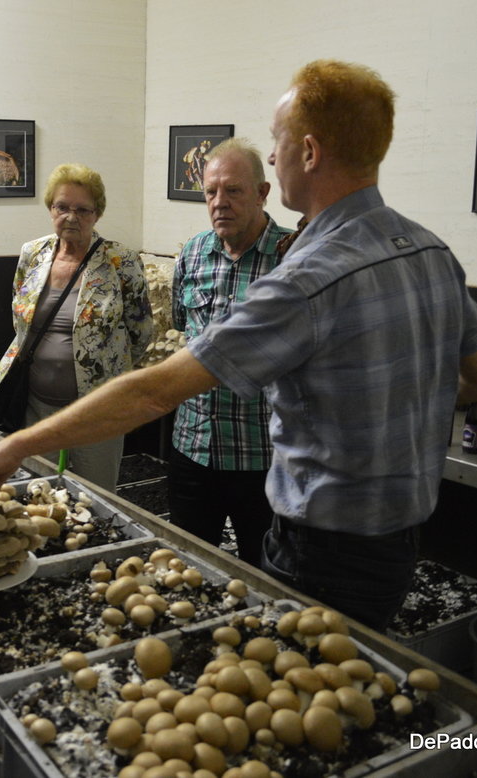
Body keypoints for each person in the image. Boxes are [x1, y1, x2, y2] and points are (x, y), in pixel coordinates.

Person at [0, 60, 477, 632]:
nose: (274, 156)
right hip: (396, 542)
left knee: (302, 695)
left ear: (308, 152)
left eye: (278, 141)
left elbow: (157, 391)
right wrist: (390, 408)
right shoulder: (427, 250)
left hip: (323, 547)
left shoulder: (307, 275)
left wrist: (14, 448)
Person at [0, 163, 153, 492]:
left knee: (97, 496)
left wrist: (104, 365)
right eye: (62, 207)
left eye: (82, 209)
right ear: (50, 208)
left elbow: (141, 331)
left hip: (97, 409)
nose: (71, 217)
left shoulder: (121, 261)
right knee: (35, 493)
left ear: (97, 213)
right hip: (34, 404)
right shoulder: (32, 254)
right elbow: (20, 317)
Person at [169, 139, 293, 567]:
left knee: (263, 575)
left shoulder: (294, 258)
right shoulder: (193, 253)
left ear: (262, 193)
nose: (219, 202)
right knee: (187, 567)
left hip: (262, 456)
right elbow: (182, 325)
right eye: (210, 192)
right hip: (192, 447)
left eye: (234, 191)